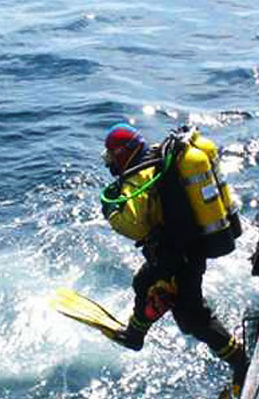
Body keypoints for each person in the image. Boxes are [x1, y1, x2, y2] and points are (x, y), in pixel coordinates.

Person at [99, 123, 246, 374]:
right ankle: (136, 333)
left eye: (110, 156)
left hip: (179, 255)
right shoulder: (157, 160)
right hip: (185, 250)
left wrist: (111, 209)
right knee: (145, 283)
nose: (108, 162)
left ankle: (241, 362)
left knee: (194, 318)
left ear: (122, 154)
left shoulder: (139, 178)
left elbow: (133, 226)